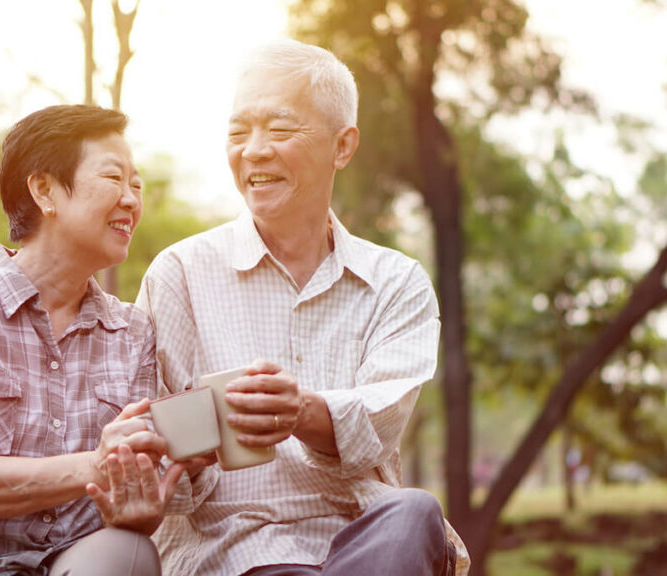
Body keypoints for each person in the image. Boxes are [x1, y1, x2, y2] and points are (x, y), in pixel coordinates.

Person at [136, 40, 469, 576]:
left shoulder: (396, 282)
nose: (255, 150)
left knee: (415, 509)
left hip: (367, 543)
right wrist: (186, 447)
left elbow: (377, 427)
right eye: (239, 132)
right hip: (235, 546)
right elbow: (159, 471)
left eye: (280, 129)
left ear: (342, 146)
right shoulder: (179, 274)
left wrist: (299, 412)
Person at [0, 104, 199, 576]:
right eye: (114, 178)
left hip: (75, 565)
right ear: (44, 189)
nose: (132, 200)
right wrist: (96, 465)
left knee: (129, 552)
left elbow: (129, 509)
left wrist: (137, 505)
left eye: (137, 184)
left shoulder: (132, 332)